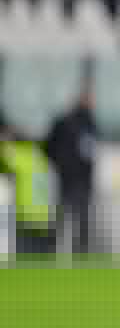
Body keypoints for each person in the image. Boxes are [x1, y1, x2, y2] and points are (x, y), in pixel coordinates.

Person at [44, 85, 99, 255]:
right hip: (69, 177)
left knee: (77, 217)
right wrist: (60, 163)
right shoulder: (67, 122)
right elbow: (49, 147)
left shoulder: (89, 123)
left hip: (77, 177)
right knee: (66, 216)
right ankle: (58, 250)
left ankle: (77, 251)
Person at [0, 117, 58, 256]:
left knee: (25, 258)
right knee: (43, 258)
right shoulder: (42, 159)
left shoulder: (20, 157)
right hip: (45, 216)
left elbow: (5, 155)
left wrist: (5, 138)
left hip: (27, 216)